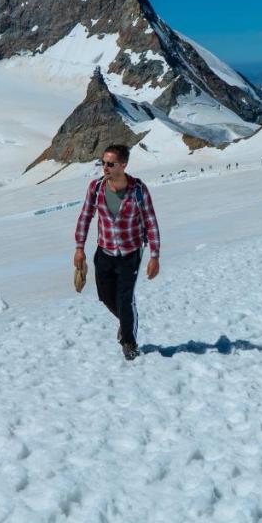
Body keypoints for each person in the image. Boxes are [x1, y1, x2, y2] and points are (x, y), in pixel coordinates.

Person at [74, 144, 161, 361]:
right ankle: (126, 321)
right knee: (104, 296)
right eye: (103, 162)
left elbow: (150, 222)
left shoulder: (138, 190)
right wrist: (79, 248)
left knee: (124, 299)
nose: (105, 167)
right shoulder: (95, 188)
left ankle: (129, 342)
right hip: (104, 252)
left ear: (123, 165)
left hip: (130, 254)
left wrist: (154, 255)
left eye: (110, 164)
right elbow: (85, 217)